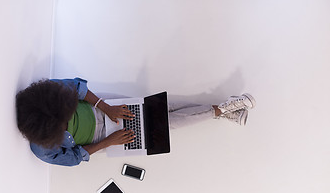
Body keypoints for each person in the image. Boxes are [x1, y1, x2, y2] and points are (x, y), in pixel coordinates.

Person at [16, 77, 256, 166]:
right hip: (104, 140)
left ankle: (225, 111)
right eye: (65, 123)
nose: (70, 118)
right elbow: (75, 157)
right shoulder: (42, 150)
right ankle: (224, 110)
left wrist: (106, 107)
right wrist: (110, 141)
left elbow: (77, 88)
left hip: (105, 109)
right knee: (167, 126)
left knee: (165, 107)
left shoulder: (48, 94)